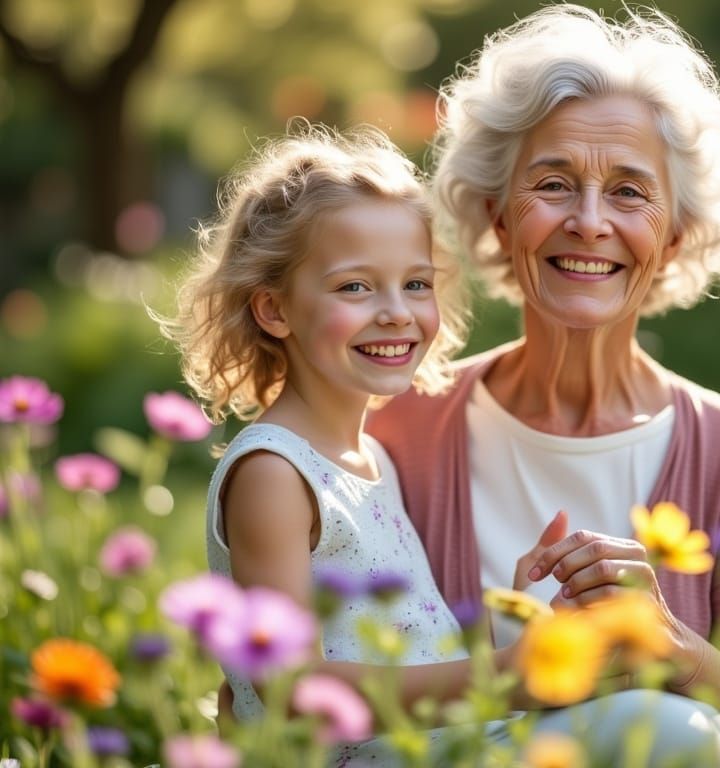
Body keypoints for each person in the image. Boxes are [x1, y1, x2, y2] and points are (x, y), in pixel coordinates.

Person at [366, 4, 720, 765]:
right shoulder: (404, 426)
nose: (590, 222)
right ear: (499, 217)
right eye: (555, 184)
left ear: (672, 237)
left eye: (630, 191)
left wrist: (671, 644)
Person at [161, 123, 525, 764]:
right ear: (274, 311)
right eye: (355, 286)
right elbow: (292, 690)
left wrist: (513, 622)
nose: (396, 312)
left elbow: (410, 646)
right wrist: (501, 674)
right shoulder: (274, 472)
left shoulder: (371, 457)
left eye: (416, 283)